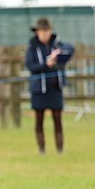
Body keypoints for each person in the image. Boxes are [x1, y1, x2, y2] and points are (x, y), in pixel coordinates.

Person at [25, 16, 75, 154]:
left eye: (47, 31)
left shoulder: (57, 44)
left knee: (58, 119)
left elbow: (70, 49)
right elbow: (30, 66)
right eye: (42, 31)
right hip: (39, 89)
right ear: (37, 32)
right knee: (39, 120)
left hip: (55, 88)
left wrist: (59, 54)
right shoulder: (32, 47)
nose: (45, 34)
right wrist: (46, 65)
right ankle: (42, 150)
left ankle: (60, 150)